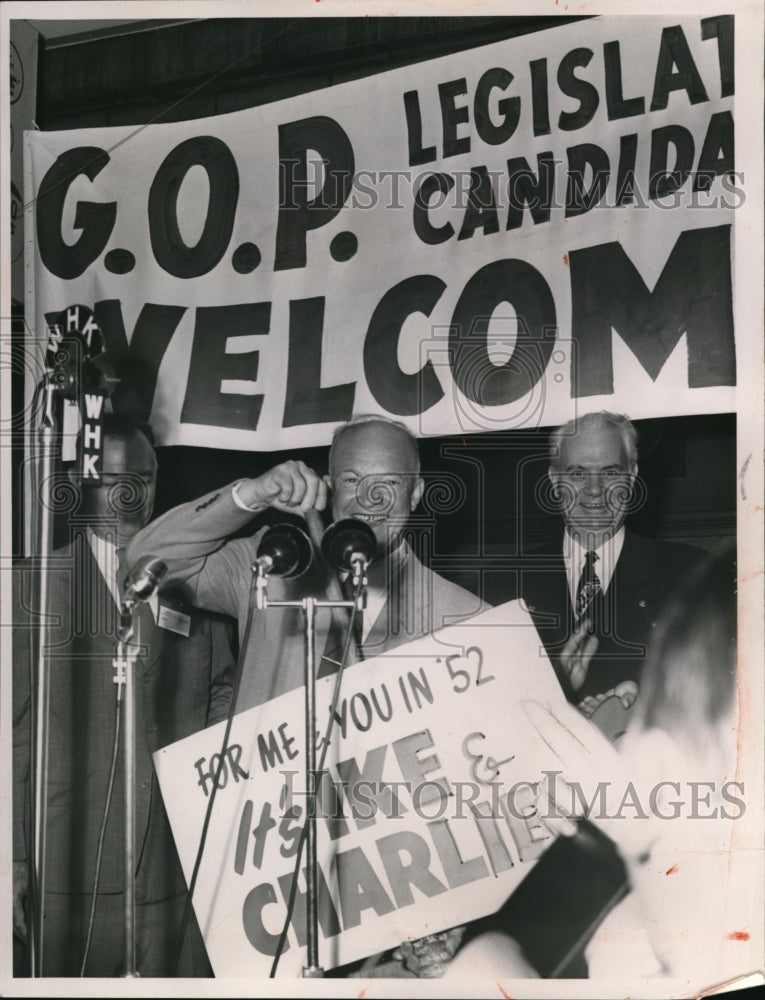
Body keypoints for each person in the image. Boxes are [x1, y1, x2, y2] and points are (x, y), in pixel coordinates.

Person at [126, 413, 485, 977]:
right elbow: (147, 557)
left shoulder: (467, 620)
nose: (367, 501)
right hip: (265, 894)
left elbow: (482, 794)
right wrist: (251, 494)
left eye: (386, 484)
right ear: (327, 482)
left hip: (394, 918)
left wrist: (453, 913)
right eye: (350, 481)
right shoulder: (272, 567)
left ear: (416, 491)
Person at [12, 414, 237, 977]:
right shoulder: (29, 589)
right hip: (65, 882)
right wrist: (11, 861)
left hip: (174, 877)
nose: (131, 494)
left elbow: (222, 702)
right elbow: (9, 741)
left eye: (143, 476)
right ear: (81, 481)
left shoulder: (195, 585)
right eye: (113, 478)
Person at [515, 411, 706, 741]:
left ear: (631, 477)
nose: (595, 490)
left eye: (610, 472)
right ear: (554, 480)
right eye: (577, 473)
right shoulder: (505, 583)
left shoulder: (694, 576)